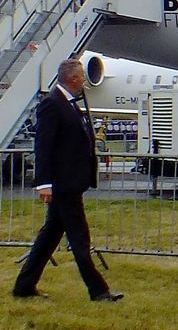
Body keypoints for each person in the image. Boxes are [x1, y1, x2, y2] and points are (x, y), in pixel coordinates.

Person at [13, 58, 122, 302]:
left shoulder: (70, 104)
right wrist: (44, 183)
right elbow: (44, 146)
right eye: (82, 77)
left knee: (49, 236)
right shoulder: (52, 104)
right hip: (63, 185)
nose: (84, 81)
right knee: (80, 239)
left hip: (72, 182)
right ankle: (99, 290)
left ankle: (24, 286)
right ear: (73, 79)